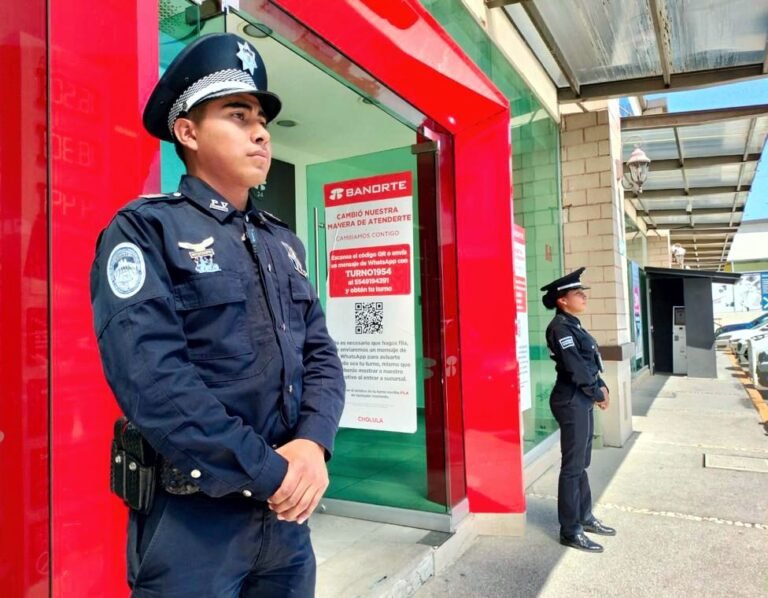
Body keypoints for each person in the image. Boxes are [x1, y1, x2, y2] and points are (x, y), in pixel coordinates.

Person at [90, 32, 345, 597]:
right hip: (193, 524)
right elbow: (153, 380)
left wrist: (313, 444)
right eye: (237, 114)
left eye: (262, 118)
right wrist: (272, 472)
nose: (260, 131)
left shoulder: (284, 244)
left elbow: (321, 354)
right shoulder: (146, 230)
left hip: (285, 523)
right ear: (187, 131)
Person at [541, 267, 616, 553]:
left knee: (581, 464)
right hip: (571, 399)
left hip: (582, 397)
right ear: (562, 300)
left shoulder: (574, 324)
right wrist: (596, 391)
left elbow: (589, 361)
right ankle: (570, 530)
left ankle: (584, 517)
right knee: (572, 468)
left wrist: (602, 385)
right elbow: (574, 366)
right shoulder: (560, 328)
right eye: (578, 293)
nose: (584, 297)